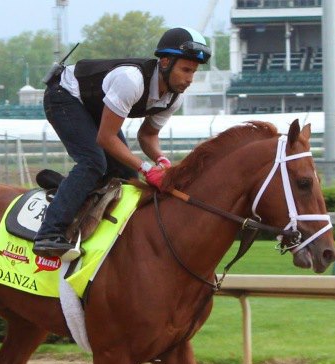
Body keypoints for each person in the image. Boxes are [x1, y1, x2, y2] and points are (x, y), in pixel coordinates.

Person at [32, 27, 212, 258]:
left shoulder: (173, 98)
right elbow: (105, 138)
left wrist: (162, 160)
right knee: (93, 162)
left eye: (194, 72)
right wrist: (147, 168)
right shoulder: (131, 81)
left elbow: (147, 136)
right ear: (165, 62)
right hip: (64, 95)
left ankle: (73, 191)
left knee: (127, 175)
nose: (189, 79)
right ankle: (49, 233)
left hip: (94, 106)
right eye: (186, 70)